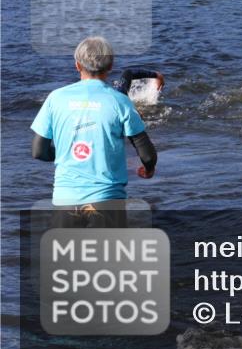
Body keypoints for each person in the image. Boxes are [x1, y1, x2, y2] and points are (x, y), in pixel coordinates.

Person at [30, 37, 157, 228]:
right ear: (111, 66)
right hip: (107, 199)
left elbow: (39, 151)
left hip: (66, 200)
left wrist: (67, 154)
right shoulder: (120, 101)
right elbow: (147, 153)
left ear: (77, 65)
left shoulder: (55, 98)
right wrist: (149, 168)